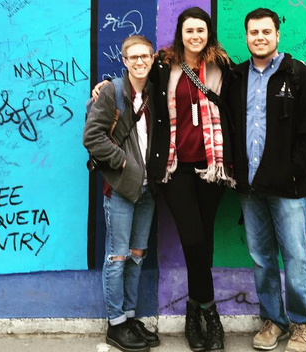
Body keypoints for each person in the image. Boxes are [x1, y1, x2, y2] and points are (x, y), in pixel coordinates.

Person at [225, 8, 306, 352]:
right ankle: (273, 321)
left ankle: (304, 324)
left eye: (266, 32)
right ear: (246, 36)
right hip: (250, 189)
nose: (260, 37)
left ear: (277, 34)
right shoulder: (237, 78)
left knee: (296, 256)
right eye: (253, 32)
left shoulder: (297, 75)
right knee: (261, 257)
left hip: (289, 189)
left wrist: (294, 172)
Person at [148, 7, 234, 352]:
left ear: (208, 33)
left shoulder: (222, 67)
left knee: (205, 242)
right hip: (176, 167)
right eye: (189, 30)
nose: (195, 36)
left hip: (212, 166)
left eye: (201, 30)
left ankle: (191, 310)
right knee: (194, 241)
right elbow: (137, 90)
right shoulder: (163, 66)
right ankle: (210, 314)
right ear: (180, 34)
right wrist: (104, 88)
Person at [83, 35, 160, 352]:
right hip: (120, 189)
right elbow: (92, 137)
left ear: (153, 58)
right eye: (134, 57)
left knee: (137, 256)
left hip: (148, 191)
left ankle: (129, 316)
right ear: (124, 61)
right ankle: (115, 324)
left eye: (145, 56)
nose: (140, 62)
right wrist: (124, 164)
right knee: (117, 257)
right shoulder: (113, 91)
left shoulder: (155, 92)